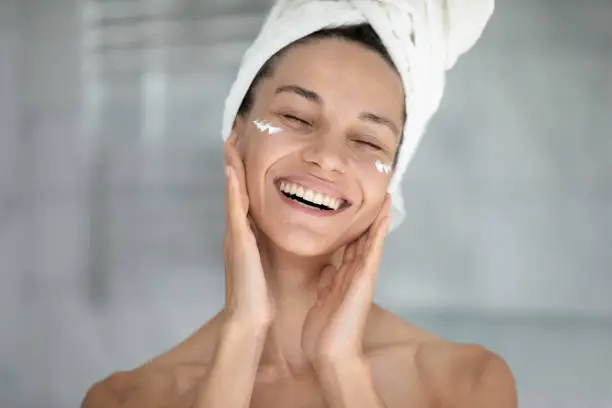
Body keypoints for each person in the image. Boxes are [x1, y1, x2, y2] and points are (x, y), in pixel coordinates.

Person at [81, 0, 517, 407]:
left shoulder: (465, 384)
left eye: (367, 141)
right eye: (295, 117)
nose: (327, 157)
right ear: (236, 132)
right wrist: (242, 333)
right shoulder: (125, 398)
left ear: (393, 182)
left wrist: (342, 368)